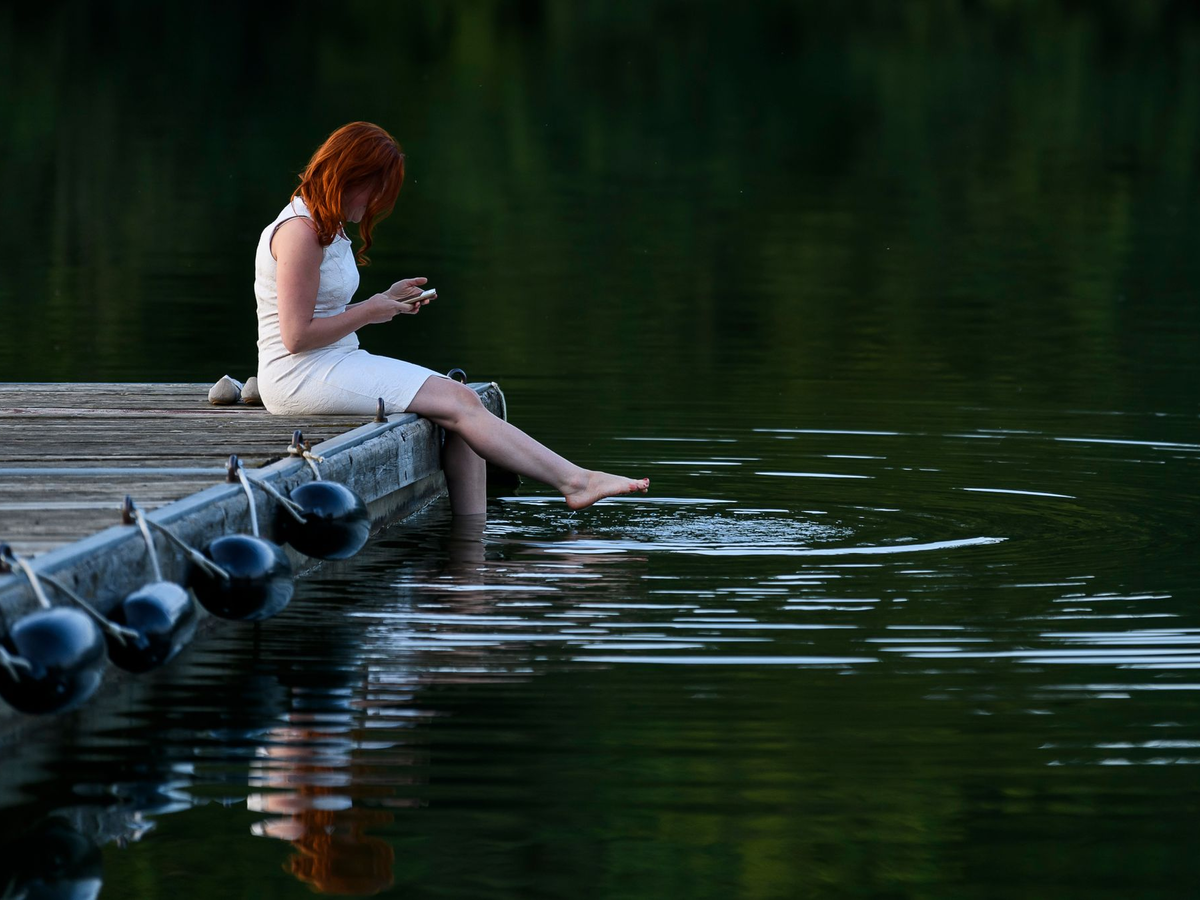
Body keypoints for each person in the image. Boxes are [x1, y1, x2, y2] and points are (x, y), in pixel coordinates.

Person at [254, 121, 649, 517]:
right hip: (297, 375)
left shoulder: (328, 225)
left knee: (461, 402)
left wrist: (385, 301)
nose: (376, 202)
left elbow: (325, 311)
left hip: (334, 360)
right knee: (459, 401)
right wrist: (372, 309)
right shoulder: (300, 232)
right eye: (376, 189)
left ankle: (472, 537)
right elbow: (296, 336)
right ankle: (576, 482)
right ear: (351, 176)